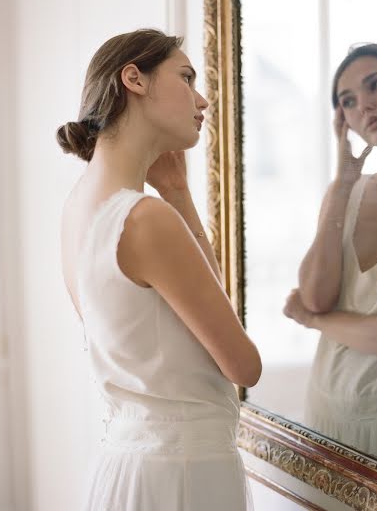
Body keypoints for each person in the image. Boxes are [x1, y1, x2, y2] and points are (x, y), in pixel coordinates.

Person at [56, 28, 261, 510]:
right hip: (180, 480)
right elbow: (243, 366)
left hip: (126, 466)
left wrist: (178, 193)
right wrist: (171, 204)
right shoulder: (143, 219)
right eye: (186, 78)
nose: (203, 99)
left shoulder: (79, 206)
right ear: (135, 79)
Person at [283, 43, 377, 473]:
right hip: (328, 412)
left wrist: (314, 322)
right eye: (348, 101)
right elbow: (317, 294)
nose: (366, 105)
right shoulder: (348, 193)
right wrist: (342, 184)